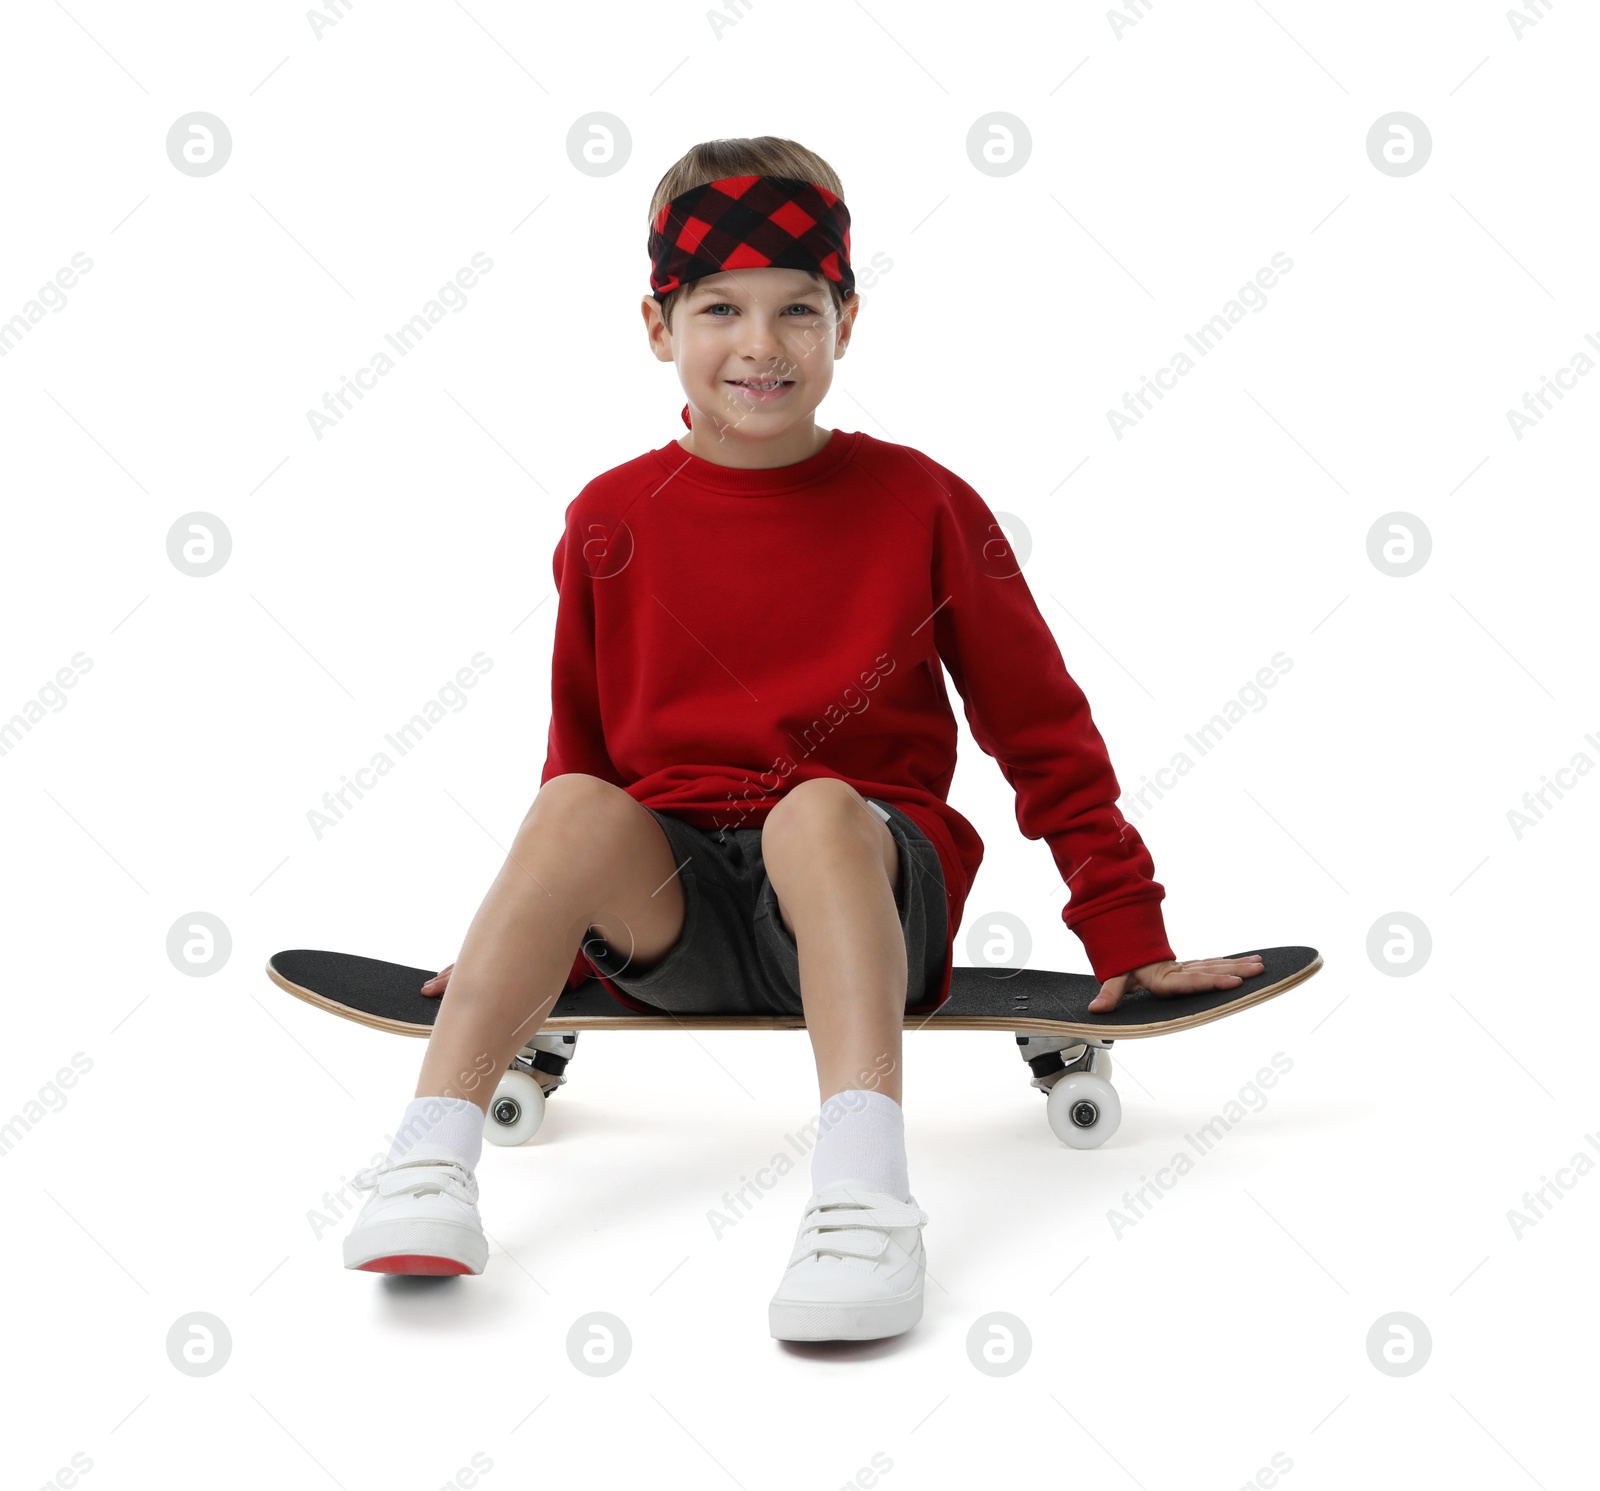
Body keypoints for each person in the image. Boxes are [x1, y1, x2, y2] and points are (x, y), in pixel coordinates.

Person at [339, 135, 1263, 1341]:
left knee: (817, 807)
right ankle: (429, 1161)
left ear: (847, 321)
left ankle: (864, 1196)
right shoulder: (609, 518)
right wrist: (536, 945)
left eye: (798, 309)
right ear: (658, 326)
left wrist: (1123, 926)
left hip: (866, 880)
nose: (761, 343)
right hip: (679, 910)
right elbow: (582, 757)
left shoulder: (921, 503)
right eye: (720, 307)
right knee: (570, 809)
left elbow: (1038, 726)